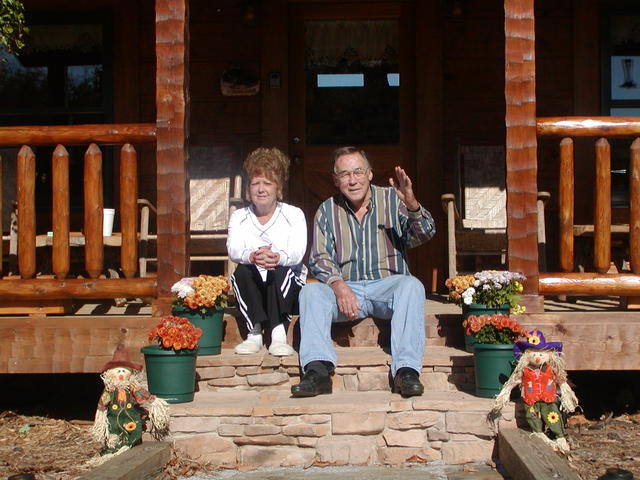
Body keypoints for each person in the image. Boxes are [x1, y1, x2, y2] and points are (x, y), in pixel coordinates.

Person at [291, 146, 435, 397]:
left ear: (369, 174)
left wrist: (411, 203)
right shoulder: (327, 209)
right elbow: (319, 257)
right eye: (345, 174)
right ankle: (318, 372)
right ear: (336, 180)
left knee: (412, 286)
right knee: (311, 293)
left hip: (387, 287)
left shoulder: (393, 199)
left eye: (358, 171)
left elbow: (423, 235)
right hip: (347, 291)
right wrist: (339, 286)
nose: (352, 179)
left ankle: (406, 372)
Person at [227, 147, 307, 356]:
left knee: (279, 269)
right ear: (248, 187)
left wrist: (277, 257)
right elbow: (234, 249)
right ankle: (254, 333)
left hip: (286, 284)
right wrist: (252, 256)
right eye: (255, 183)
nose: (261, 189)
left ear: (278, 187)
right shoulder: (239, 217)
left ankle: (278, 332)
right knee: (243, 271)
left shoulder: (293, 214)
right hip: (254, 284)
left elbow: (298, 252)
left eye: (267, 183)